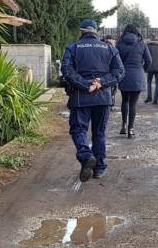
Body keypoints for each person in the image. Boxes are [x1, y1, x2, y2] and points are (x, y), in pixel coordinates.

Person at [61, 20, 125, 182]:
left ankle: (86, 156)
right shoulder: (110, 48)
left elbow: (66, 70)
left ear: (81, 31)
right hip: (103, 98)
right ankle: (99, 168)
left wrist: (85, 84)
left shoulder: (73, 47)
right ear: (96, 31)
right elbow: (119, 71)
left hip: (80, 97)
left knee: (78, 130)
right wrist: (100, 82)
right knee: (99, 133)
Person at [116, 24, 151, 139]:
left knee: (124, 101)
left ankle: (123, 125)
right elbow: (149, 61)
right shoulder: (142, 44)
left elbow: (116, 61)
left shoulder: (120, 44)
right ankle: (130, 130)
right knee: (133, 104)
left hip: (124, 76)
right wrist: (142, 70)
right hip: (137, 76)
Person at [104, 35, 118, 107]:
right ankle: (110, 101)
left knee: (114, 87)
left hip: (111, 72)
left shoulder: (115, 50)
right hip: (107, 72)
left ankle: (112, 100)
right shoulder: (105, 49)